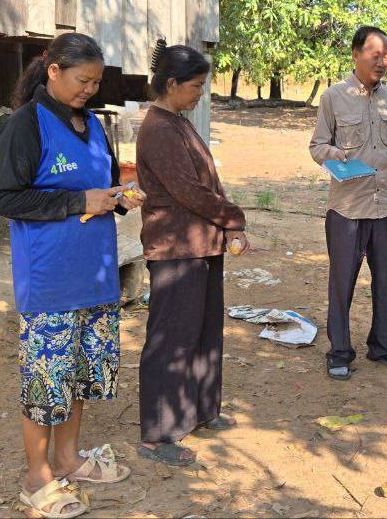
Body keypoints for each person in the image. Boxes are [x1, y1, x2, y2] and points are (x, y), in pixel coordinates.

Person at [0, 33, 142, 518]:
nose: (89, 90)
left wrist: (120, 195)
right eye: (82, 80)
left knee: (80, 375)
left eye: (96, 83)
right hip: (50, 278)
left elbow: (100, 187)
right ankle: (36, 477)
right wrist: (80, 201)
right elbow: (5, 199)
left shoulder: (95, 124)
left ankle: (67, 458)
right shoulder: (25, 125)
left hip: (95, 276)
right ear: (53, 70)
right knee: (46, 379)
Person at [135, 43, 247, 467]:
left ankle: (202, 411)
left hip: (199, 244)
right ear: (172, 84)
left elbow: (202, 187)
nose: (201, 92)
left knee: (202, 334)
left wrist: (223, 225)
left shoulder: (177, 121)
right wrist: (233, 218)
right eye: (196, 85)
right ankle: (158, 434)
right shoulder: (161, 128)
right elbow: (188, 192)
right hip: (175, 249)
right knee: (172, 341)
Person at [308, 26, 387, 380]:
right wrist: (333, 153)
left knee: (384, 279)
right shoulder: (334, 97)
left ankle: (383, 346)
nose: (382, 62)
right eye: (374, 54)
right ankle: (339, 352)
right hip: (347, 208)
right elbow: (317, 146)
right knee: (342, 281)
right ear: (355, 54)